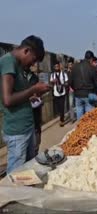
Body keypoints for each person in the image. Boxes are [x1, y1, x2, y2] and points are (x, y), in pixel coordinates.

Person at [0, 35, 50, 174]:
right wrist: (33, 89)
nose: (32, 65)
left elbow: (19, 95)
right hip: (17, 133)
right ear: (26, 51)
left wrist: (32, 96)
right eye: (33, 60)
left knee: (28, 172)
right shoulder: (8, 62)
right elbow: (7, 100)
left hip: (27, 127)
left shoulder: (18, 65)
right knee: (16, 176)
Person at [69, 50, 97, 120]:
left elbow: (70, 82)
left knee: (80, 119)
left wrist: (76, 89)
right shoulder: (92, 68)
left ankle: (80, 130)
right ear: (91, 59)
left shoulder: (75, 67)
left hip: (78, 96)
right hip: (88, 95)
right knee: (89, 119)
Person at [50, 60, 68, 127]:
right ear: (54, 67)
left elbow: (66, 82)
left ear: (59, 66)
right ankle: (61, 116)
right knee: (58, 108)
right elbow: (51, 82)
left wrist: (62, 84)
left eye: (58, 66)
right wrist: (53, 81)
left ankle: (62, 120)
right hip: (56, 93)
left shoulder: (64, 74)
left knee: (62, 107)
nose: (57, 67)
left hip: (62, 92)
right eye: (55, 66)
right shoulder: (52, 75)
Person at [66, 58, 76, 123]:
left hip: (76, 89)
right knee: (71, 104)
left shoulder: (75, 72)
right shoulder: (66, 73)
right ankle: (72, 118)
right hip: (69, 90)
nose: (70, 65)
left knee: (76, 104)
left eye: (71, 64)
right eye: (69, 64)